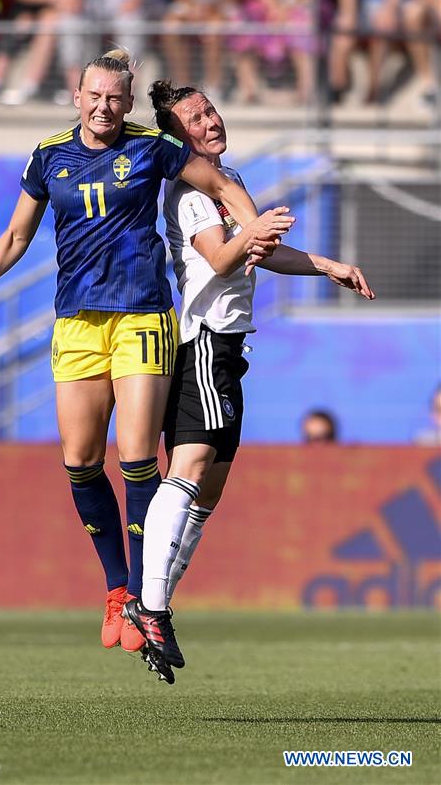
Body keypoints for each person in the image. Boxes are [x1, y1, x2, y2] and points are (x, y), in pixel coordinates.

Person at [0, 49, 293, 655]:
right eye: (95, 96)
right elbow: (18, 235)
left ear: (128, 104)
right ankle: (115, 587)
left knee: (135, 457)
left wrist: (251, 224)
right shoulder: (48, 156)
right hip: (77, 322)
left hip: (143, 316)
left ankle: (141, 598)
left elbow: (217, 180)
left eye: (115, 98)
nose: (105, 107)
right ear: (77, 97)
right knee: (80, 461)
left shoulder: (152, 148)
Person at [123, 80, 375, 683]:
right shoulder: (189, 191)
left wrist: (327, 265)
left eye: (209, 109)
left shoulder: (228, 181)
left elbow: (259, 251)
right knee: (188, 473)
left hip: (229, 350)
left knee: (208, 494)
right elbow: (222, 257)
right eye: (194, 118)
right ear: (176, 138)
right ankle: (148, 604)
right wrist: (253, 231)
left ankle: (155, 605)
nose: (209, 120)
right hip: (203, 342)